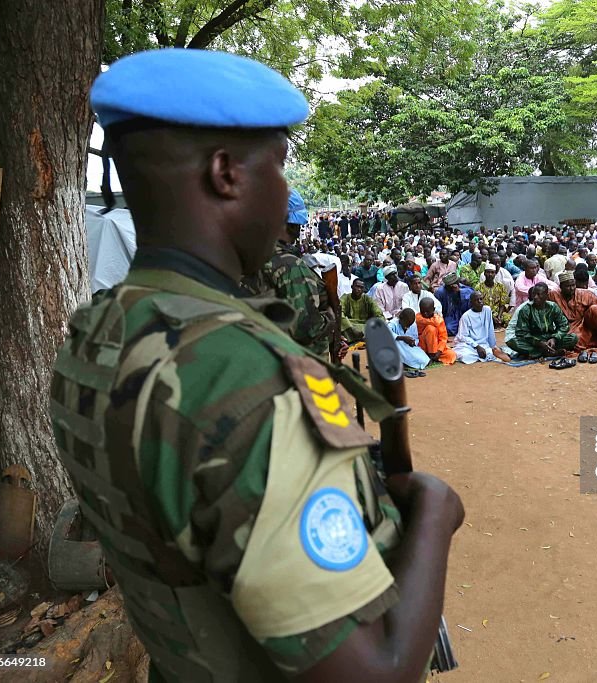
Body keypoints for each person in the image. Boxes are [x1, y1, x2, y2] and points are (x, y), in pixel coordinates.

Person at [53, 49, 463, 681]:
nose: (287, 193)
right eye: (279, 164)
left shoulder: (96, 331)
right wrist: (435, 513)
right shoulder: (249, 378)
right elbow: (375, 673)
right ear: (225, 173)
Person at [240, 189, 334, 357]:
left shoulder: (245, 256)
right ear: (288, 224)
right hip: (297, 366)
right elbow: (307, 330)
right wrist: (331, 319)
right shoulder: (289, 265)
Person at [549, 271, 597, 350]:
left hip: (585, 325)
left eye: (573, 285)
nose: (571, 288)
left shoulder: (586, 294)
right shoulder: (553, 295)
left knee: (595, 309)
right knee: (574, 340)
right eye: (568, 286)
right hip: (567, 327)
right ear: (561, 286)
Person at [507, 283, 577, 358]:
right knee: (513, 342)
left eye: (539, 294)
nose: (535, 297)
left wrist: (554, 338)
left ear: (546, 296)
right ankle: (548, 352)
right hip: (533, 341)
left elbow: (564, 325)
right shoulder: (526, 309)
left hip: (550, 338)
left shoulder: (553, 307)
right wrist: (539, 343)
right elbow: (521, 332)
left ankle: (539, 352)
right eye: (534, 294)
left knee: (573, 338)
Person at [453, 291, 510, 364]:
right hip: (469, 345)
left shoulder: (487, 310)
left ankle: (492, 353)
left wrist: (493, 346)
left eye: (481, 299)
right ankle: (488, 355)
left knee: (489, 352)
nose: (480, 302)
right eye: (477, 300)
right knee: (465, 355)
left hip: (484, 344)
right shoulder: (465, 317)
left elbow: (490, 329)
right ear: (471, 303)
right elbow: (463, 336)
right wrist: (477, 346)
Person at [340, 277, 385, 342]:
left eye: (361, 288)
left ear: (364, 289)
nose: (359, 289)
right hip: (349, 326)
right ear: (352, 287)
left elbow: (378, 313)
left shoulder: (368, 299)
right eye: (357, 286)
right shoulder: (344, 298)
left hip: (365, 325)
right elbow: (340, 314)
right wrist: (351, 328)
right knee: (341, 327)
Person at [389, 307, 431, 372]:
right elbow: (386, 334)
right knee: (398, 344)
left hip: (408, 347)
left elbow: (415, 338)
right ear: (401, 318)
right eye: (406, 325)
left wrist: (413, 342)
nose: (407, 327)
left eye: (409, 325)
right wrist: (402, 338)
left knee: (423, 358)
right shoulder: (393, 323)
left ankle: (408, 362)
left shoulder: (413, 325)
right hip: (396, 346)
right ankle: (402, 362)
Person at [416, 298, 456, 364]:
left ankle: (433, 357)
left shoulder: (438, 319)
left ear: (433, 309)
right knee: (431, 329)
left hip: (436, 346)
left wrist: (439, 351)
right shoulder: (418, 317)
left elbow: (443, 338)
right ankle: (431, 355)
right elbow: (435, 322)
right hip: (422, 346)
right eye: (423, 311)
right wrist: (437, 321)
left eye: (427, 311)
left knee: (451, 355)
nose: (425, 314)